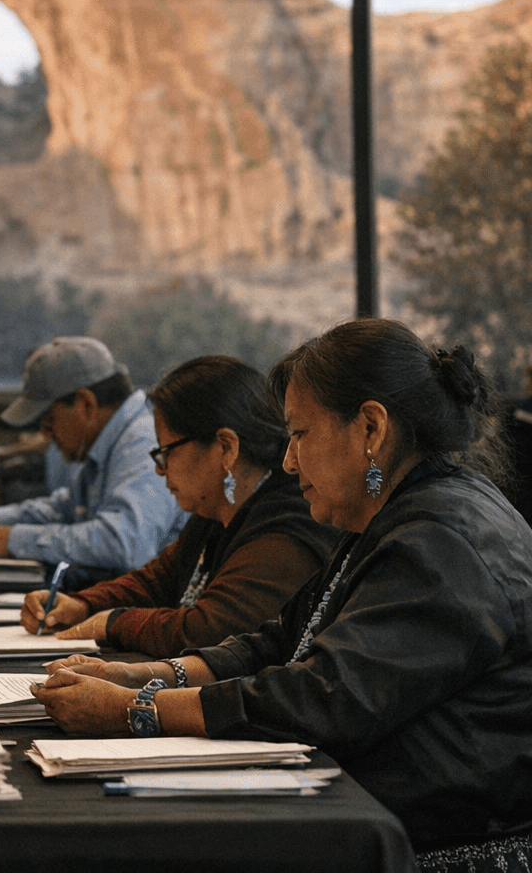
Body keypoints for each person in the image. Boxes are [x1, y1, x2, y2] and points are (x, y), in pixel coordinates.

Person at [34, 319, 532, 861]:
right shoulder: (395, 514)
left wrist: (136, 708)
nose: (288, 460)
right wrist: (142, 674)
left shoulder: (440, 539)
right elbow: (280, 640)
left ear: (370, 428)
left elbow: (325, 698)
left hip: (441, 852)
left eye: (300, 434)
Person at [19, 355, 343, 655]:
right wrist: (82, 604)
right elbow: (158, 581)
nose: (160, 470)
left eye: (167, 453)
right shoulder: (218, 509)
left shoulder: (285, 529)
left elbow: (209, 630)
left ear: (225, 448)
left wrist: (113, 622)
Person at [0, 336, 186, 586]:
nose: (45, 435)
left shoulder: (143, 442)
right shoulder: (111, 440)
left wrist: (14, 540)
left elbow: (124, 542)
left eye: (49, 420)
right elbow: (69, 506)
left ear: (86, 404)